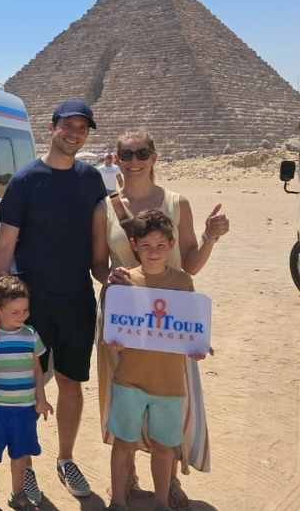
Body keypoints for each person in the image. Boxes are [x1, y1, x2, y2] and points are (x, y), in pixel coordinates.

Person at [92, 130, 230, 508]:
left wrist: (210, 236)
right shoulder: (104, 209)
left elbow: (190, 264)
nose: (134, 161)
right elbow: (98, 265)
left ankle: (168, 481)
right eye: (126, 154)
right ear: (116, 159)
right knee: (124, 400)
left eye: (142, 153)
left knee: (169, 402)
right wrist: (110, 277)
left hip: (169, 322)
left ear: (154, 156)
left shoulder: (176, 202)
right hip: (124, 319)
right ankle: (128, 476)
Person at [0, 99, 107, 500]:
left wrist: (115, 277)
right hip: (30, 305)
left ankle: (66, 459)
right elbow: (4, 247)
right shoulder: (25, 180)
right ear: (51, 127)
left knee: (71, 383)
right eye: (67, 125)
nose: (74, 133)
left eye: (82, 128)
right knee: (24, 388)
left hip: (76, 300)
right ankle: (25, 467)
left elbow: (99, 245)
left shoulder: (91, 179)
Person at [103, 209, 210, 511]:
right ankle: (118, 501)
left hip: (169, 383)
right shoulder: (124, 281)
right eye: (146, 245)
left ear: (172, 245)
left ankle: (161, 502)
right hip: (129, 378)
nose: (153, 252)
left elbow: (190, 328)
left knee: (164, 447)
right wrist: (113, 339)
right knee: (123, 443)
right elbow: (113, 326)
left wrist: (197, 346)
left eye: (160, 245)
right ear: (134, 245)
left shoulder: (183, 282)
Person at [0, 276, 53, 511]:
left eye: (25, 310)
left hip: (25, 410)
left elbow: (38, 370)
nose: (22, 316)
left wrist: (41, 399)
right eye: (15, 312)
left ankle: (18, 495)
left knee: (20, 456)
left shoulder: (31, 335)